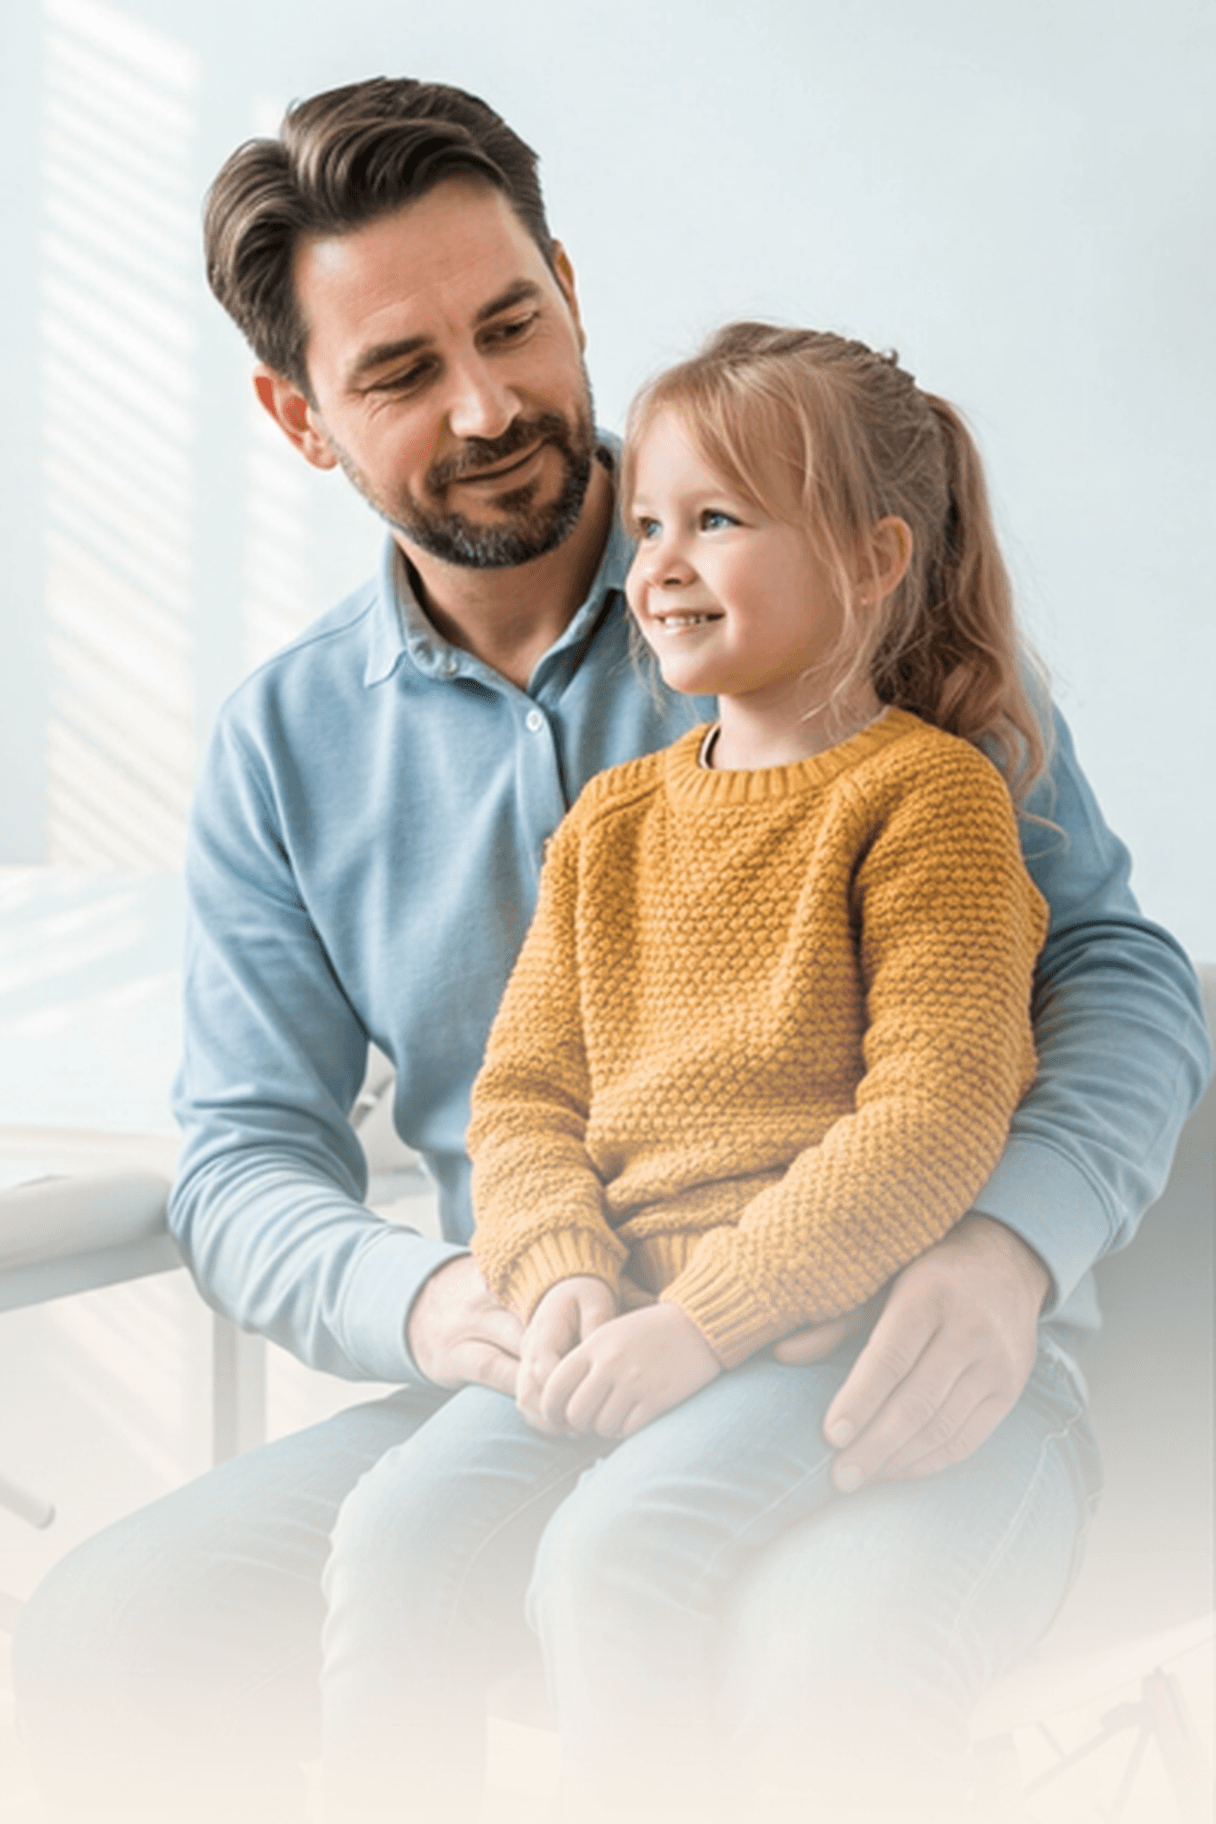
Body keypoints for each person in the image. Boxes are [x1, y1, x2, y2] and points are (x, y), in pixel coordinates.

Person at [12, 76, 1209, 1824]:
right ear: (297, 416)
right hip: (549, 1356)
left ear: (570, 289)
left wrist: (1010, 1247)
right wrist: (453, 1303)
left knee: (802, 1666)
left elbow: (1116, 978)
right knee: (103, 1636)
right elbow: (246, 1158)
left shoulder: (846, 628)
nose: (488, 404)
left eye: (511, 325)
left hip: (882, 1340)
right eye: (401, 372)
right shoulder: (286, 745)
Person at [319, 319, 1053, 1824]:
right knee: (392, 1534)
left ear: (873, 559)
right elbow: (523, 1096)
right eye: (648, 524)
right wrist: (559, 1268)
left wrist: (704, 1326)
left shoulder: (932, 802)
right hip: (616, 1317)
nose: (657, 565)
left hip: (814, 1330)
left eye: (716, 520)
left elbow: (933, 1116)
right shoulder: (612, 824)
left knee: (614, 1556)